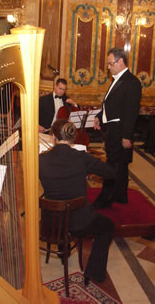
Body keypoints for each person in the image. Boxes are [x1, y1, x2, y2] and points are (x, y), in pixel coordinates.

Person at [39, 119, 114, 284]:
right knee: (107, 226)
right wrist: (89, 172)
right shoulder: (82, 157)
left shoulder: (41, 160)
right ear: (73, 138)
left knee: (58, 201)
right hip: (78, 222)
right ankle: (94, 273)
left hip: (50, 222)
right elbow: (109, 173)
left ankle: (61, 251)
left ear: (53, 137)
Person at [91, 47, 142, 208]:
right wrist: (99, 117)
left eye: (110, 63)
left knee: (113, 166)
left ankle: (106, 198)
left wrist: (127, 136)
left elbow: (131, 111)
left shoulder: (132, 82)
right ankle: (121, 196)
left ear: (120, 61)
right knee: (120, 166)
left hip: (120, 131)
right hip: (113, 129)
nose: (108, 67)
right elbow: (110, 106)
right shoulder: (117, 79)